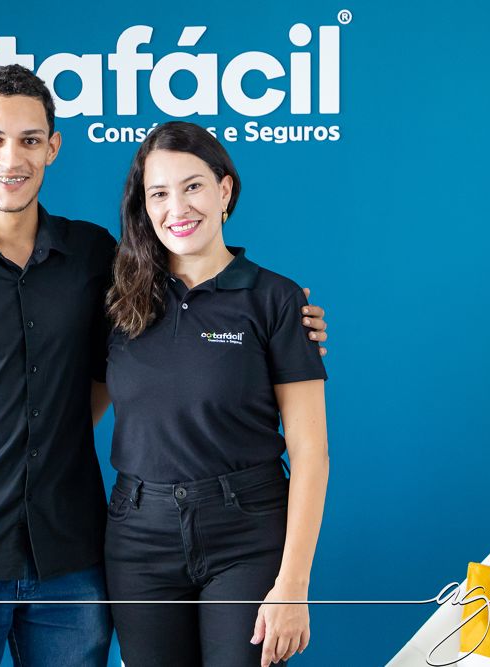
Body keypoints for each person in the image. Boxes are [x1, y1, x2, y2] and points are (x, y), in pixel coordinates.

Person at [0, 65, 328, 666]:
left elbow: (135, 351)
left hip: (71, 555)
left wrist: (287, 322)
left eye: (30, 139)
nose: (11, 158)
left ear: (53, 147)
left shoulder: (94, 257)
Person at [101, 121, 329, 667]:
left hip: (246, 534)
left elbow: (311, 454)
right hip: (139, 538)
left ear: (224, 190)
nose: (177, 208)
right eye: (159, 193)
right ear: (144, 206)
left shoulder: (276, 299)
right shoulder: (119, 300)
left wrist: (293, 584)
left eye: (193, 186)